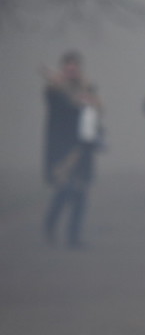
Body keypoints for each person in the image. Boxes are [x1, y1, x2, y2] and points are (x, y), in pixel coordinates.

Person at [42, 50, 103, 248]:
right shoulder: (53, 91)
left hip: (83, 146)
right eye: (67, 67)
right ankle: (51, 223)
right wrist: (79, 101)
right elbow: (65, 109)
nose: (71, 70)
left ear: (79, 69)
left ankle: (73, 237)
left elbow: (96, 113)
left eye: (74, 67)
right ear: (62, 69)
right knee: (65, 190)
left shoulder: (89, 89)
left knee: (81, 193)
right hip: (62, 147)